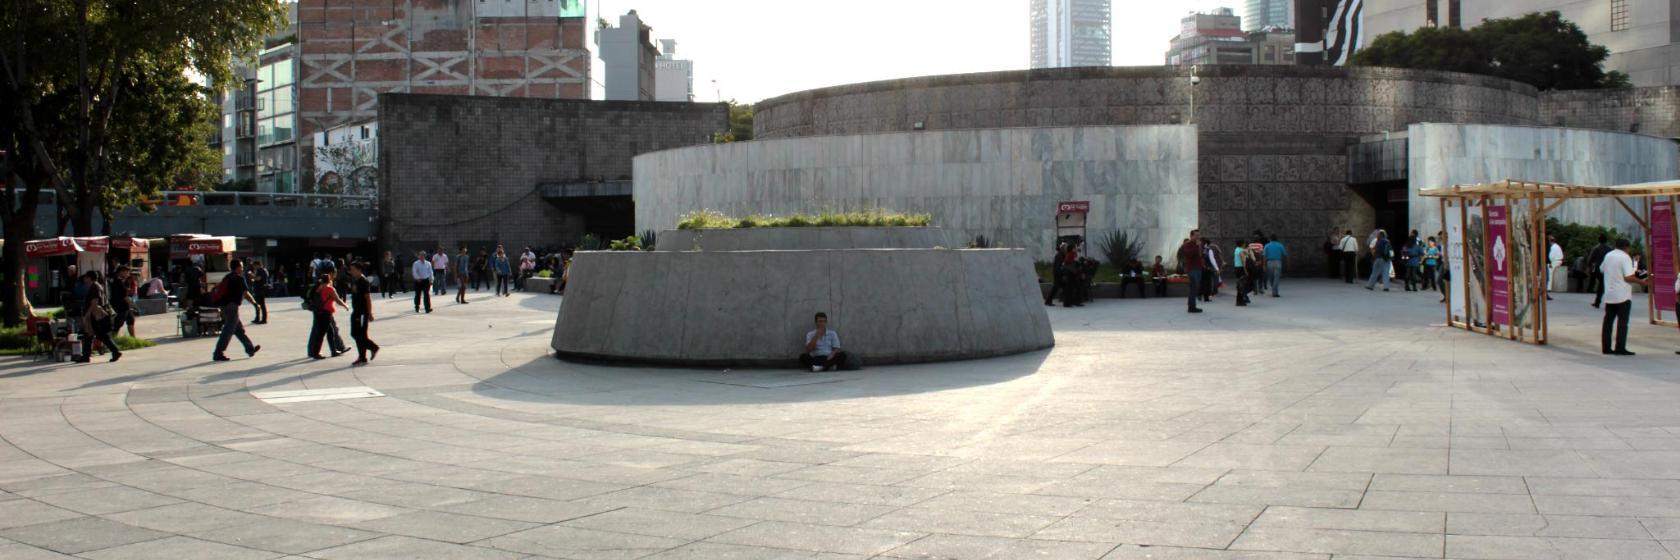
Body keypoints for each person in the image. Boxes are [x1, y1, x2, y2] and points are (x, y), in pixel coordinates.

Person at [1601, 238, 1646, 356]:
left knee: (1608, 322)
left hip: (1610, 294)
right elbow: (1628, 277)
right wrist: (1644, 282)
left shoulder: (1608, 255)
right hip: (1622, 295)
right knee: (1622, 322)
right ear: (1627, 247)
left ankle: (1606, 347)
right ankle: (1620, 348)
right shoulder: (1625, 257)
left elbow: (1601, 269)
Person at [211, 260, 262, 362]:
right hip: (232, 307)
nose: (242, 269)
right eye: (241, 267)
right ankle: (218, 353)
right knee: (228, 331)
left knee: (239, 330)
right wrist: (255, 304)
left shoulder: (228, 277)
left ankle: (250, 349)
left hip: (225, 307)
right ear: (238, 267)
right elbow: (246, 293)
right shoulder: (239, 278)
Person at [76, 272, 122, 363]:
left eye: (86, 277)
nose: (84, 279)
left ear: (89, 278)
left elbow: (95, 302)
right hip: (96, 315)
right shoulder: (96, 286)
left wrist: (87, 315)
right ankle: (86, 356)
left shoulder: (95, 287)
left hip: (96, 316)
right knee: (90, 335)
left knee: (100, 335)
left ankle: (115, 351)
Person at [307, 271, 351, 359]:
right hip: (325, 313)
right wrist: (345, 306)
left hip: (318, 312)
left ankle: (333, 351)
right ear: (329, 280)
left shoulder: (318, 288)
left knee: (330, 332)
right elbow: (337, 299)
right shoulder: (329, 289)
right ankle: (316, 353)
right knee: (322, 334)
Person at [348, 262, 381, 366]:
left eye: (353, 269)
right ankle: (363, 355)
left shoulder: (363, 281)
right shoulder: (354, 280)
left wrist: (369, 313)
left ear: (359, 270)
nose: (351, 271)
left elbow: (368, 298)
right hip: (356, 311)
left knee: (361, 335)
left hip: (362, 312)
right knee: (355, 334)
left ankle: (371, 348)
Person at [1179, 230, 1204, 314]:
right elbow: (1189, 254)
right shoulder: (1187, 245)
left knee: (1196, 287)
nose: (1198, 237)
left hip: (1198, 268)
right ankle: (1191, 307)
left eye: (1199, 235)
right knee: (1193, 288)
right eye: (1196, 235)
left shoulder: (1198, 245)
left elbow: (1200, 255)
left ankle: (1193, 305)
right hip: (1192, 269)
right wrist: (1196, 246)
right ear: (1191, 236)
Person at [109, 266, 137, 339]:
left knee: (131, 320)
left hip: (125, 306)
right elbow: (124, 296)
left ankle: (133, 339)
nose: (128, 274)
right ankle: (113, 340)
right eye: (127, 272)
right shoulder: (118, 281)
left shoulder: (119, 281)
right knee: (118, 324)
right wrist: (133, 304)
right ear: (121, 272)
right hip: (120, 306)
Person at [1587, 235, 1612, 308]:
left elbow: (1590, 259)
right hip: (1608, 268)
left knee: (1601, 284)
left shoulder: (1596, 248)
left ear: (1599, 240)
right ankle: (1608, 302)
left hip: (1598, 268)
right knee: (1605, 284)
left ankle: (1597, 302)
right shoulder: (1610, 249)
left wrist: (1589, 266)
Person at [1547, 235, 1564, 301]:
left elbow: (1551, 256)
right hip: (1558, 261)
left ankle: (1548, 287)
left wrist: (1550, 263)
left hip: (1555, 261)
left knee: (1549, 274)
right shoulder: (1557, 246)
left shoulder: (1553, 247)